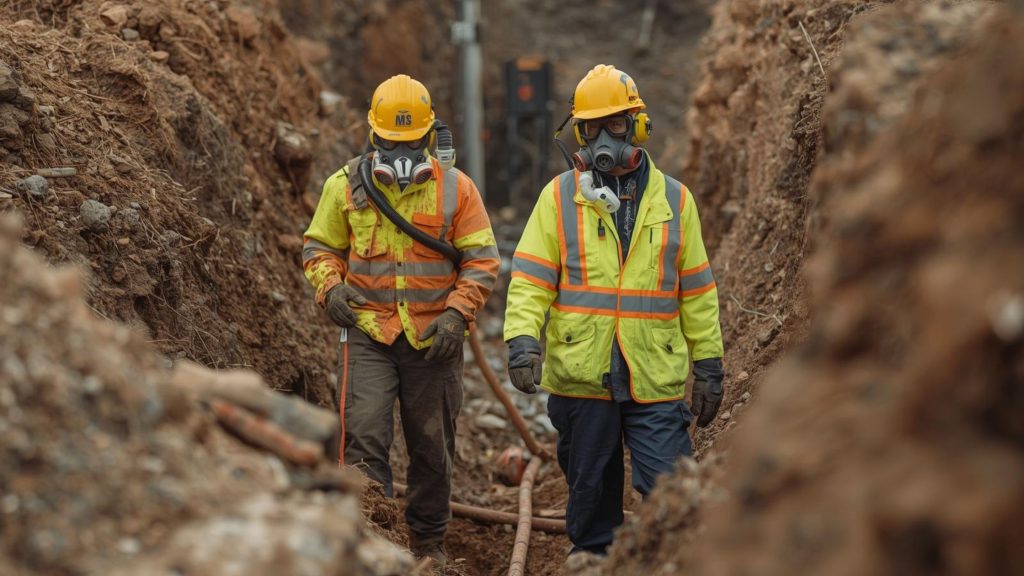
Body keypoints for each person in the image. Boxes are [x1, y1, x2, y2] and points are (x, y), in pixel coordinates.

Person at [503, 64, 724, 555]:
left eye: (615, 125)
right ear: (578, 132)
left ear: (638, 126)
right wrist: (521, 340)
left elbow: (697, 291)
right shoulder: (560, 197)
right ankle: (591, 562)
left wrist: (709, 363)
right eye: (591, 128)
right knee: (590, 496)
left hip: (654, 375)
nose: (604, 138)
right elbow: (531, 280)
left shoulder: (674, 200)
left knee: (672, 493)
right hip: (584, 376)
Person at [303, 74, 499, 569]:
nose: (401, 154)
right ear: (374, 138)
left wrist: (457, 316)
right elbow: (319, 247)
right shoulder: (345, 186)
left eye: (411, 144)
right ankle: (370, 540)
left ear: (430, 139)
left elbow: (482, 261)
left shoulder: (458, 190)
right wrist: (332, 288)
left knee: (432, 447)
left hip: (434, 340)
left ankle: (428, 542)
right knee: (364, 436)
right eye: (391, 143)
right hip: (369, 333)